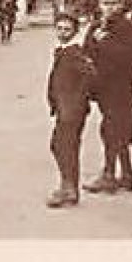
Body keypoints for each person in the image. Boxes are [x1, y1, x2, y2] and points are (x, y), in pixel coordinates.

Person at [83, 0, 132, 194]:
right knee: (115, 130)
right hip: (103, 88)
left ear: (120, 5)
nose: (108, 8)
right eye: (105, 3)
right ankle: (127, 174)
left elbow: (131, 58)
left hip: (122, 89)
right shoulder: (96, 27)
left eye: (113, 3)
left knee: (111, 130)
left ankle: (109, 173)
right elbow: (87, 52)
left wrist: (105, 43)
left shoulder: (128, 28)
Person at [45, 12, 95, 208]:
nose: (62, 32)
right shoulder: (62, 50)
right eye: (59, 28)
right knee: (62, 146)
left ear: (75, 31)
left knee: (63, 146)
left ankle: (68, 187)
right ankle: (68, 186)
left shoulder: (74, 53)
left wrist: (77, 101)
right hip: (64, 108)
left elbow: (90, 76)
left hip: (71, 111)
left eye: (67, 29)